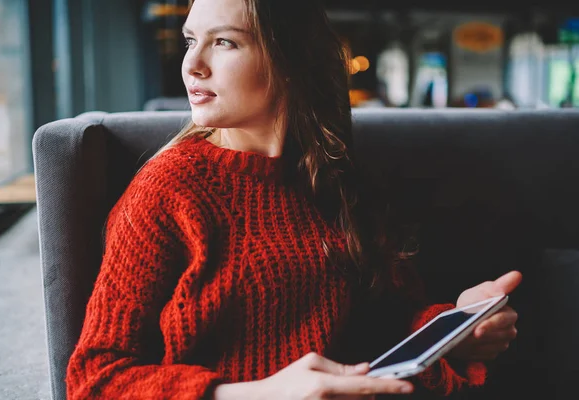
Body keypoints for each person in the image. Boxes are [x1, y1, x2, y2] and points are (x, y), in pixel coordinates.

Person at [66, 0, 521, 398]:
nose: (192, 65)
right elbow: (95, 379)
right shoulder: (168, 190)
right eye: (190, 41)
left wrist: (454, 329)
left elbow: (389, 320)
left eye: (224, 42)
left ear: (289, 60)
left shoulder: (334, 176)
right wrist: (261, 394)